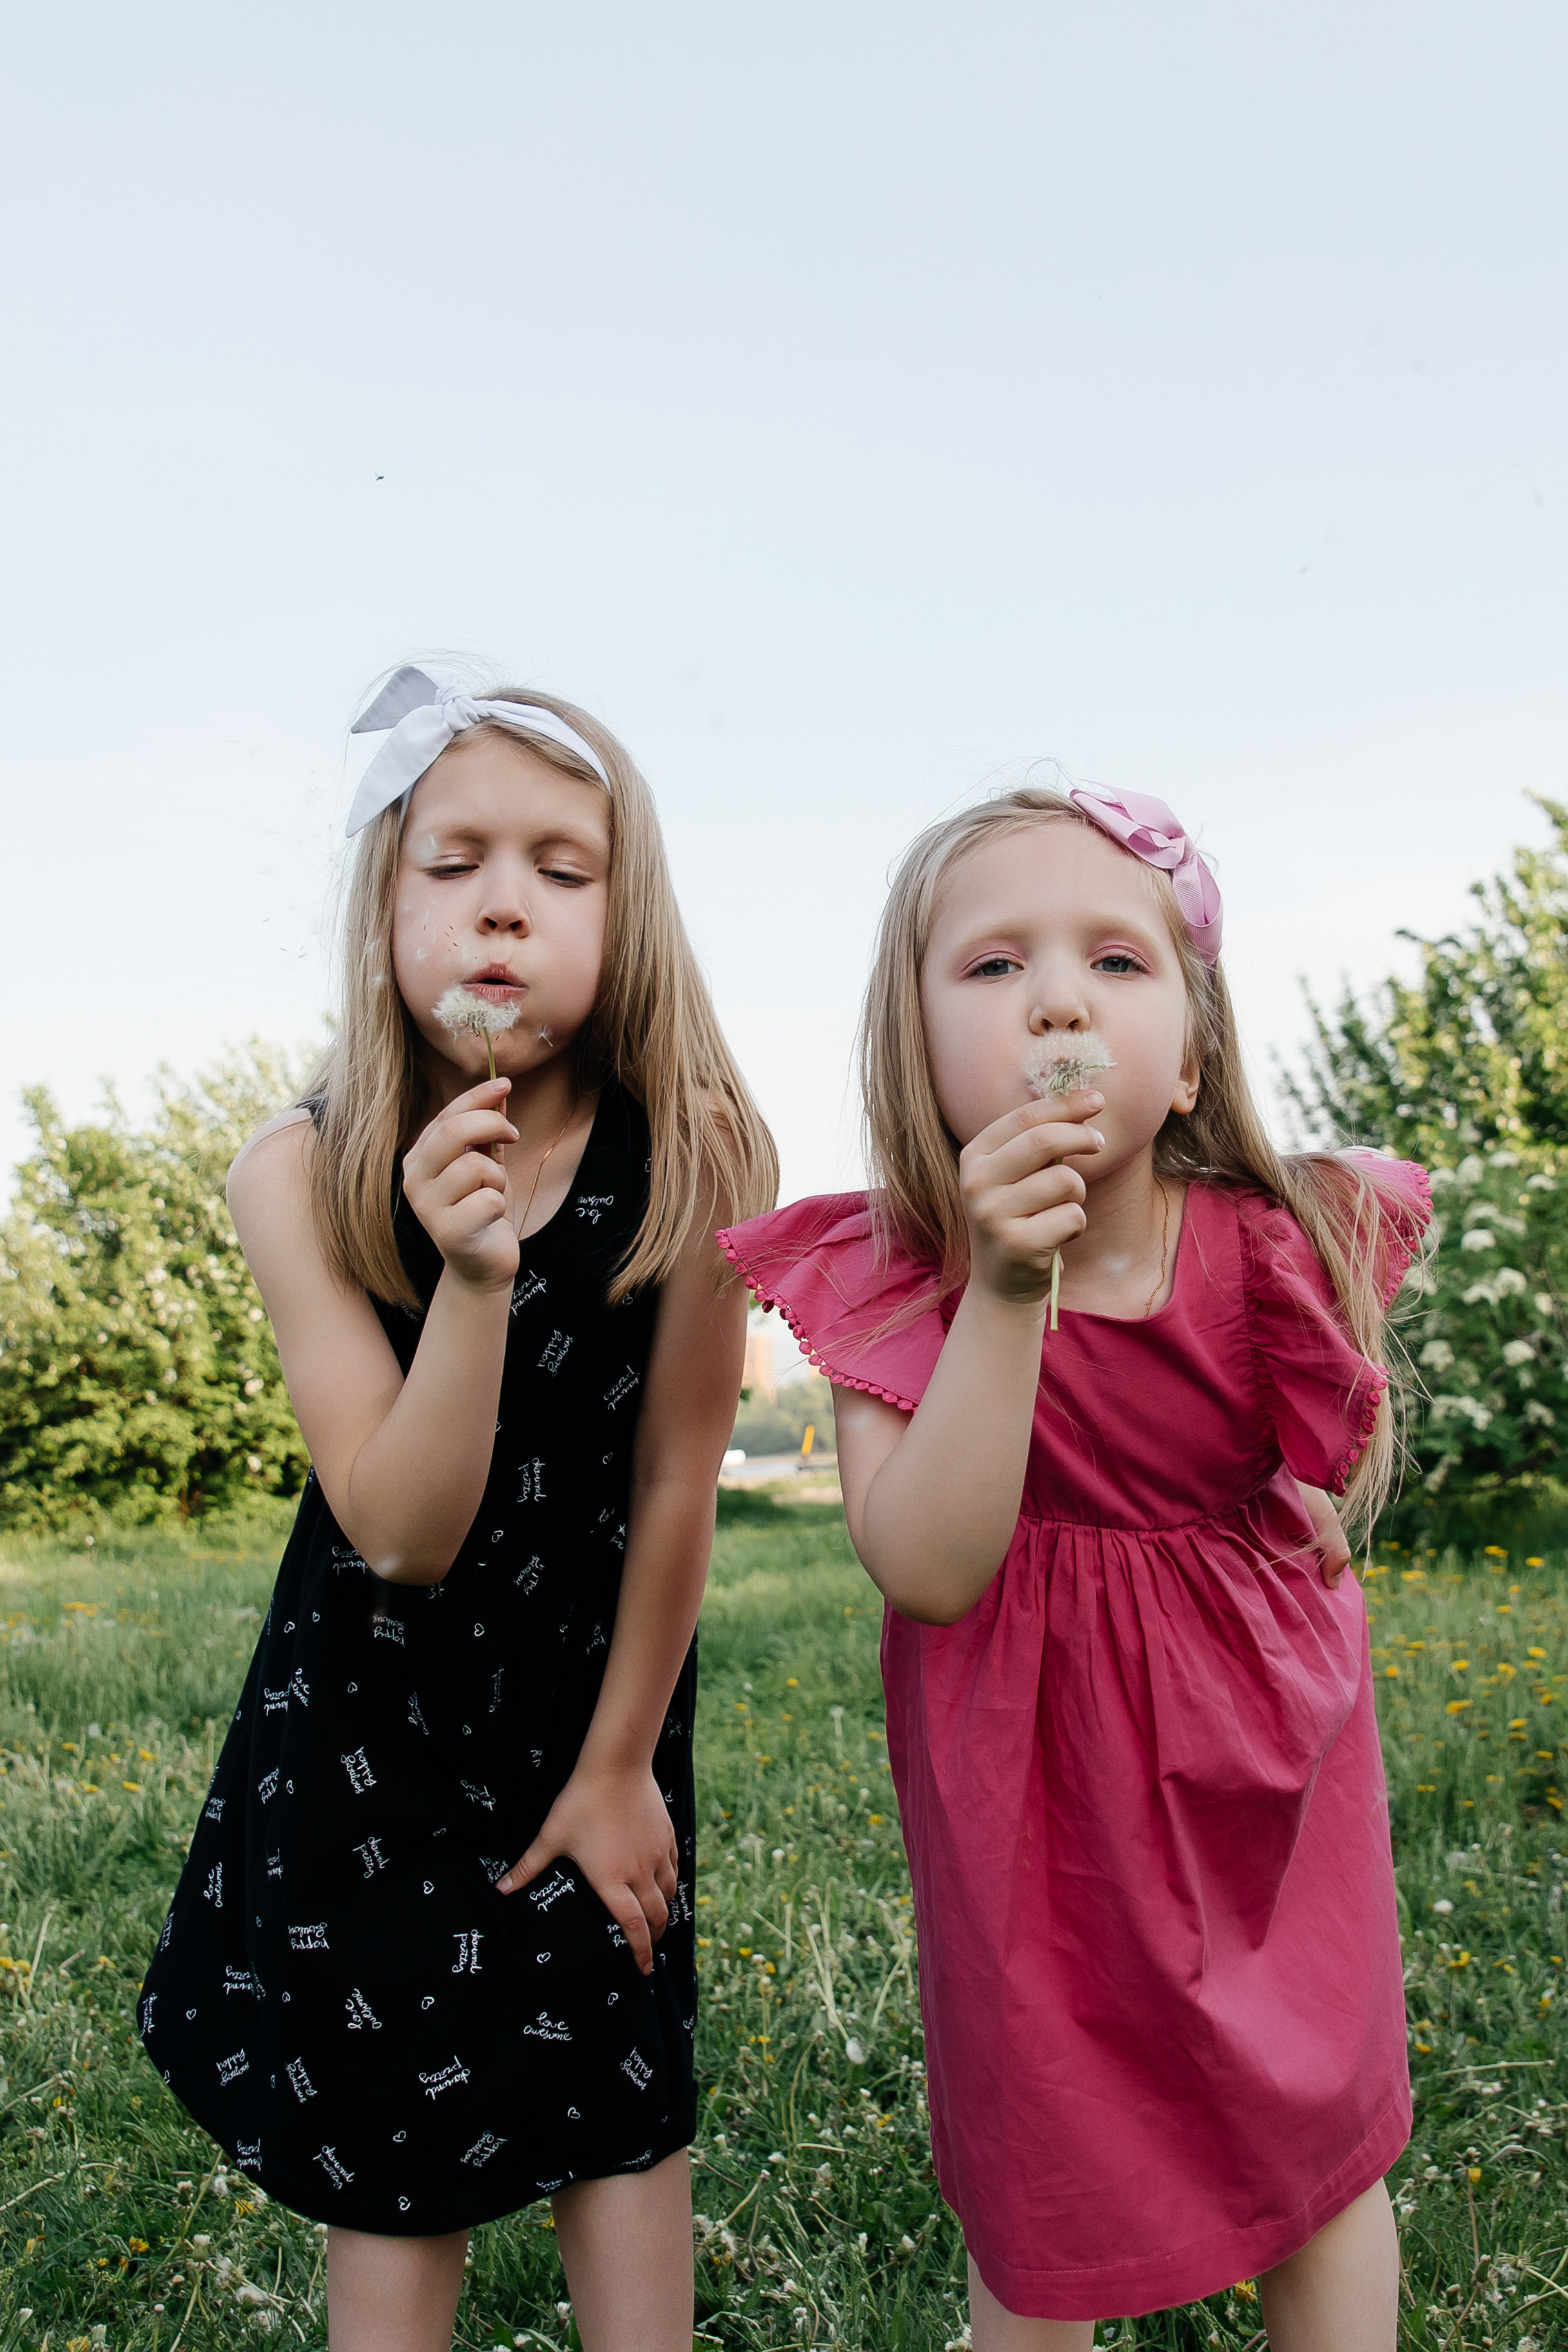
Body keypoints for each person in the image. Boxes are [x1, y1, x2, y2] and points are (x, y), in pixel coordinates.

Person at [718, 783, 1427, 2351]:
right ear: (917, 1052)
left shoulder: (1266, 1246)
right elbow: (928, 1567)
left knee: (1317, 2154)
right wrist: (1007, 1293)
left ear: (1188, 1058)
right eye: (991, 968)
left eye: (1118, 961)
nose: (1054, 998)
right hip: (1035, 1804)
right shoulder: (895, 1282)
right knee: (1048, 2181)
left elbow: (1314, 1468)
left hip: (1263, 1782)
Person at [140, 667, 776, 2352]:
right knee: (393, 2174)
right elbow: (403, 1527)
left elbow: (673, 1470)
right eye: (456, 862)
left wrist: (625, 1760)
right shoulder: (303, 1168)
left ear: (628, 919)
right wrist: (473, 1277)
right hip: (369, 1721)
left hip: (595, 1697)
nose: (507, 903)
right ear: (385, 904)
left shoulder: (701, 1150)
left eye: (566, 870)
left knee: (620, 2091)